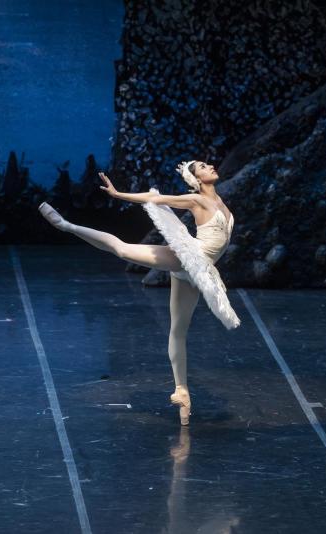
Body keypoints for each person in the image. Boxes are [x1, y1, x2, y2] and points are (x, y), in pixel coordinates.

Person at [37, 160, 239, 425]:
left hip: (200, 271)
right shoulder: (195, 199)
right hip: (188, 257)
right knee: (121, 249)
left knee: (178, 330)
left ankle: (182, 392)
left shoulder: (221, 202)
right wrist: (119, 194)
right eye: (202, 166)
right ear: (196, 179)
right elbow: (155, 198)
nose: (210, 165)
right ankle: (66, 225)